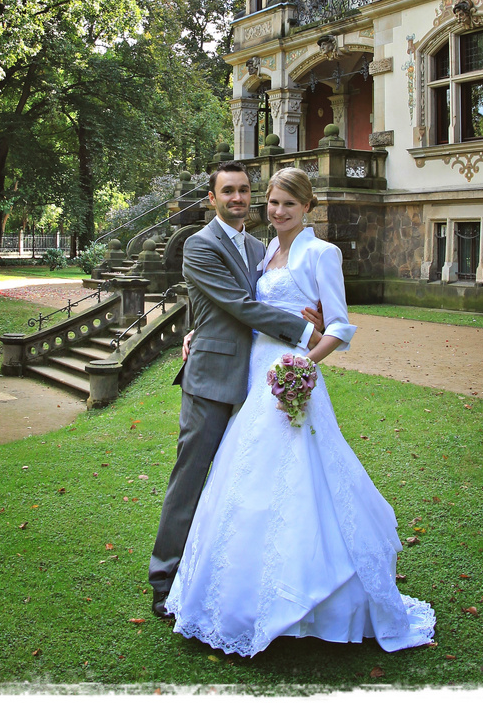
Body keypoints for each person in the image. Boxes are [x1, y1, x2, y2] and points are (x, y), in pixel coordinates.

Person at [165, 167, 436, 657]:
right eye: (269, 201)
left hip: (286, 375)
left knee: (297, 479)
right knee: (221, 478)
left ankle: (308, 593)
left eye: (285, 203)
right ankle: (189, 582)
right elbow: (229, 303)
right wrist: (196, 332)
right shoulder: (245, 249)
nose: (273, 209)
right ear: (216, 198)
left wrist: (305, 354)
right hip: (242, 374)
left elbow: (335, 323)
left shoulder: (306, 251)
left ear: (307, 206)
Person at [149, 161, 325, 619]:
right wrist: (304, 334)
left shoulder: (258, 247)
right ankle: (164, 580)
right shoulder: (198, 244)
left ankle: (225, 574)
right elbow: (237, 303)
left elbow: (218, 301)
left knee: (241, 481)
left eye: (245, 190)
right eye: (228, 191)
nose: (238, 199)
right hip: (211, 379)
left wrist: (319, 317)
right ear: (212, 198)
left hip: (256, 380)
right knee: (190, 479)